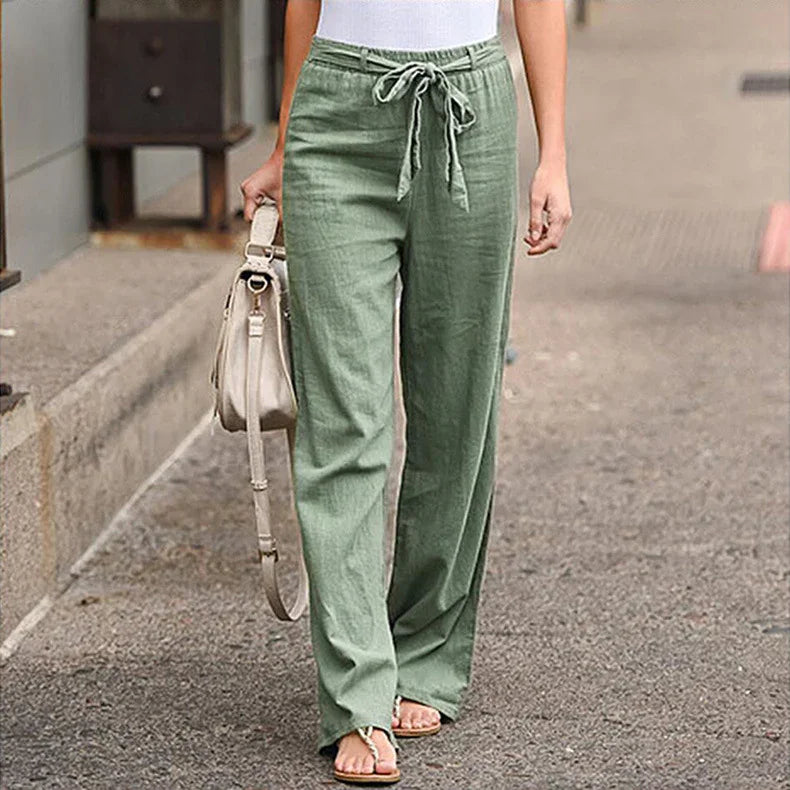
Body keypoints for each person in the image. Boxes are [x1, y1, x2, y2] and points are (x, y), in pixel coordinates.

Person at [240, 0, 571, 783]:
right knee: (343, 421)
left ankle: (424, 649)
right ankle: (357, 696)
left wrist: (552, 151)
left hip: (471, 109)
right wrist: (287, 142)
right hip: (336, 115)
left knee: (457, 411)